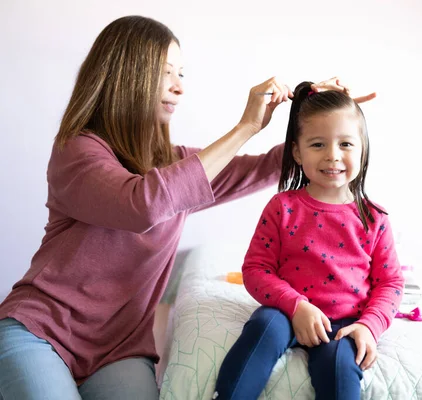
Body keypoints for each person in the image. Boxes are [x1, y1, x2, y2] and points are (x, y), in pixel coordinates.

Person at [0, 16, 375, 400]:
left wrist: (320, 125)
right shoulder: (78, 150)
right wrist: (245, 126)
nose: (180, 87)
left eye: (181, 73)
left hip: (118, 350)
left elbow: (265, 167)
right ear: (126, 74)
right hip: (41, 331)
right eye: (166, 73)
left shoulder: (171, 165)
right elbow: (145, 204)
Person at [213, 81, 404, 400]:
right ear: (297, 152)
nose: (333, 156)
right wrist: (296, 305)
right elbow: (256, 270)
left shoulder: (375, 218)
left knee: (343, 368)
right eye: (318, 145)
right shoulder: (282, 208)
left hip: (343, 323)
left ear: (362, 150)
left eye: (345, 144)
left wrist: (369, 326)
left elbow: (391, 283)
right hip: (286, 311)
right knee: (263, 330)